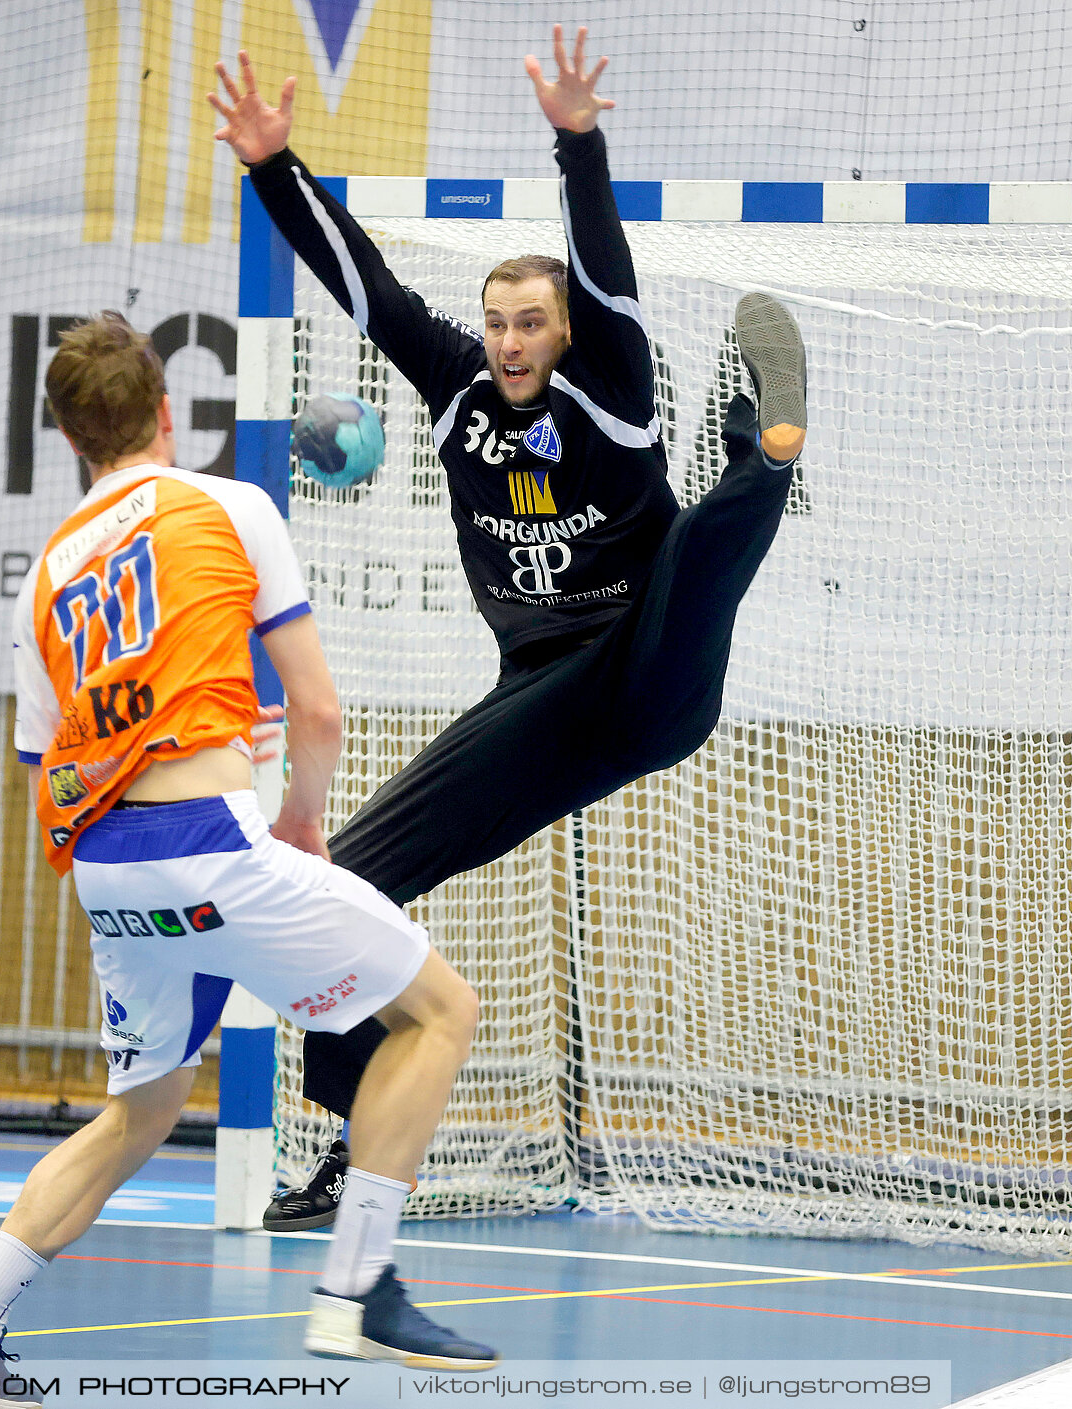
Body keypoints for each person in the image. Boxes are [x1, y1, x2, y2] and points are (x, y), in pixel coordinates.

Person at [209, 26, 808, 1229]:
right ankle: (360, 1132)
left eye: (530, 322)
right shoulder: (458, 394)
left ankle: (768, 451)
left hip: (647, 670)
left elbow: (601, 269)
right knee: (342, 879)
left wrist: (577, 144)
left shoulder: (614, 382)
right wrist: (275, 167)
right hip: (538, 697)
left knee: (692, 548)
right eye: (496, 321)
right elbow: (366, 284)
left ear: (566, 332)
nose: (509, 339)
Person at [0, 313, 496, 1409]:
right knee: (441, 1010)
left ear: (73, 437)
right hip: (213, 849)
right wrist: (303, 823)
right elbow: (316, 708)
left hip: (111, 870)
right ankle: (359, 1283)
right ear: (165, 409)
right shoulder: (230, 507)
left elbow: (49, 763)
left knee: (144, 1105)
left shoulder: (48, 573)